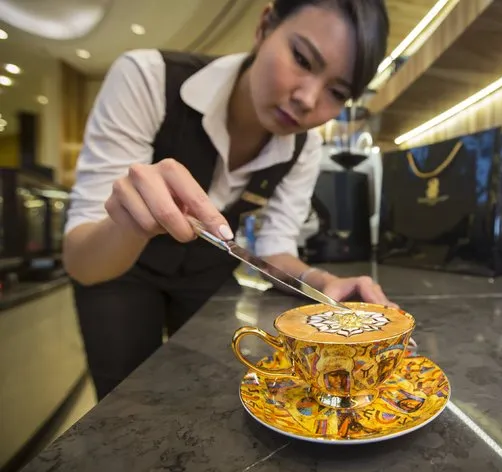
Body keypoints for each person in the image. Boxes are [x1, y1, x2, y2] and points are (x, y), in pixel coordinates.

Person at [63, 0, 394, 401]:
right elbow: (81, 262)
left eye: (336, 91)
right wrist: (129, 224)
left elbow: (276, 250)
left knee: (213, 395)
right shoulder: (148, 78)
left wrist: (323, 282)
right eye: (302, 59)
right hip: (119, 272)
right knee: (124, 403)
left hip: (209, 273)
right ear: (265, 25)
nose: (307, 99)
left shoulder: (302, 147)